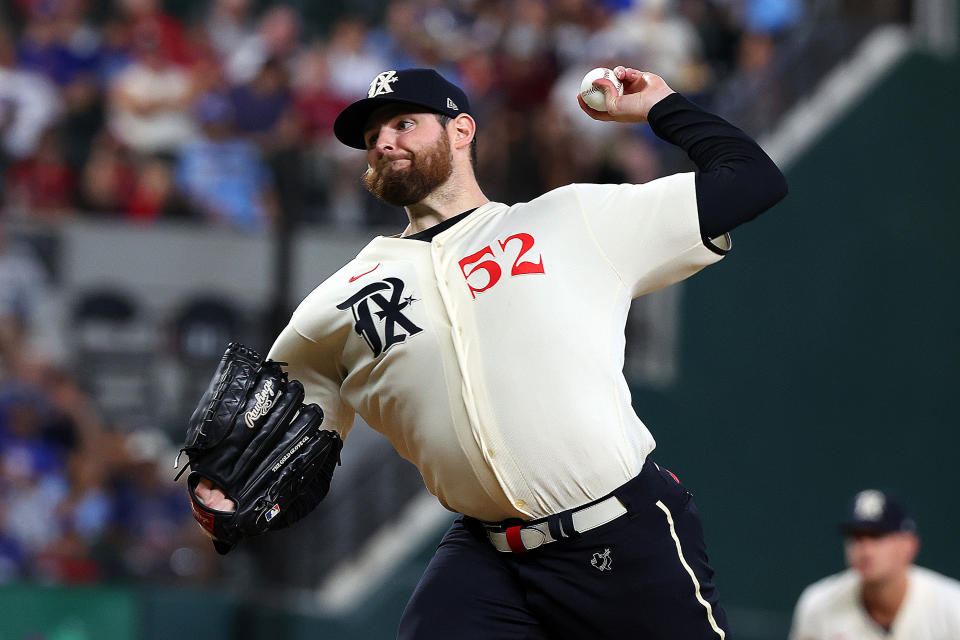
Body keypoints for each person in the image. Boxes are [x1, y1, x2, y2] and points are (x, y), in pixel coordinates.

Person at [195, 66, 787, 638]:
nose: (383, 142)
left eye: (404, 124)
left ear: (462, 131)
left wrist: (661, 106)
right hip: (488, 557)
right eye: (372, 136)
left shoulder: (571, 219)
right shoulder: (337, 303)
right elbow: (270, 431)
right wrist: (221, 490)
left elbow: (752, 180)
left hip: (620, 534)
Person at [789, 489, 960, 640]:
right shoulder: (818, 604)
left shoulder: (952, 607)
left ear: (909, 545)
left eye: (877, 536)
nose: (865, 550)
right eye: (857, 536)